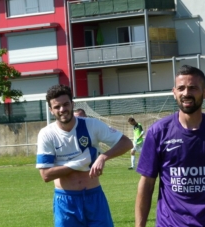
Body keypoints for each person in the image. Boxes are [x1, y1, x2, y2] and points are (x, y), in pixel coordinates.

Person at [135, 65, 205, 227]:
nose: (186, 93)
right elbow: (147, 183)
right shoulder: (158, 132)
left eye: (193, 88)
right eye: (181, 88)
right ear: (174, 92)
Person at [36, 84, 133, 227]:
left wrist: (103, 157)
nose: (62, 109)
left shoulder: (92, 125)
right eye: (57, 107)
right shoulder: (47, 134)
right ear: (51, 110)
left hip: (94, 197)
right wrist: (80, 163)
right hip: (66, 201)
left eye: (66, 104)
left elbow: (126, 143)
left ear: (72, 104)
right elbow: (45, 175)